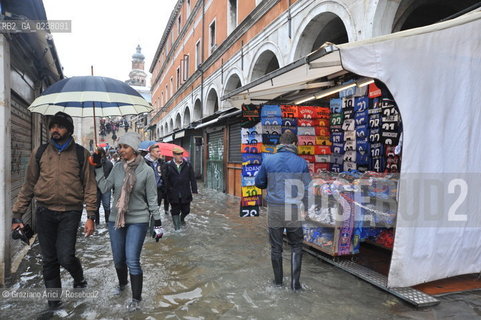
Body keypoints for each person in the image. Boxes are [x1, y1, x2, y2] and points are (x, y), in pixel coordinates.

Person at [11, 111, 97, 309]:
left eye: (59, 126)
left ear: (69, 130)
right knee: (49, 260)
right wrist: (17, 214)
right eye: (52, 126)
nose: (54, 130)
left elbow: (90, 186)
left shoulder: (81, 153)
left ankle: (79, 276)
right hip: (44, 212)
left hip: (71, 212)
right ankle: (54, 304)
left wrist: (91, 215)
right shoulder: (40, 152)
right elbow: (28, 184)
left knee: (66, 256)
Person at [93, 132, 163, 311]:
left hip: (138, 219)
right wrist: (99, 166)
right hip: (116, 219)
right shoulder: (117, 167)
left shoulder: (146, 170)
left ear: (133, 148)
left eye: (124, 147)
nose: (121, 150)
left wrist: (157, 223)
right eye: (119, 147)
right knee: (118, 260)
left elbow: (152, 199)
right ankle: (122, 286)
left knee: (132, 259)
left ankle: (136, 299)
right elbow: (104, 187)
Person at [255, 131, 311, 291]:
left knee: (276, 247)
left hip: (275, 209)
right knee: (296, 246)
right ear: (294, 144)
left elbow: (259, 182)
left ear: (280, 143)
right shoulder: (301, 163)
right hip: (293, 209)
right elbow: (308, 188)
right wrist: (305, 209)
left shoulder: (269, 160)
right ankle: (295, 285)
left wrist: (270, 184)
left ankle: (278, 283)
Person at [164, 147, 197, 230]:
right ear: (174, 155)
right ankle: (177, 228)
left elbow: (192, 178)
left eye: (181, 154)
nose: (180, 156)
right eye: (178, 154)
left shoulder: (188, 165)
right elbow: (165, 179)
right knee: (175, 210)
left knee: (186, 210)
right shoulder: (168, 165)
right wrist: (166, 191)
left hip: (185, 192)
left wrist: (194, 189)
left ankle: (181, 219)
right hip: (173, 192)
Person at [143, 144, 167, 211]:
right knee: (148, 209)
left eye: (159, 151)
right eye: (157, 151)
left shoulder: (161, 162)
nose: (159, 153)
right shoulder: (144, 163)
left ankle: (154, 221)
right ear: (151, 152)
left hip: (158, 190)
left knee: (156, 209)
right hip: (147, 190)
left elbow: (164, 176)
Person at [94, 148, 113, 224]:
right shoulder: (93, 164)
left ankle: (108, 223)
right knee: (96, 207)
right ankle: (97, 223)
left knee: (106, 206)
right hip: (96, 188)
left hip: (106, 188)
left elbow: (112, 177)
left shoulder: (109, 164)